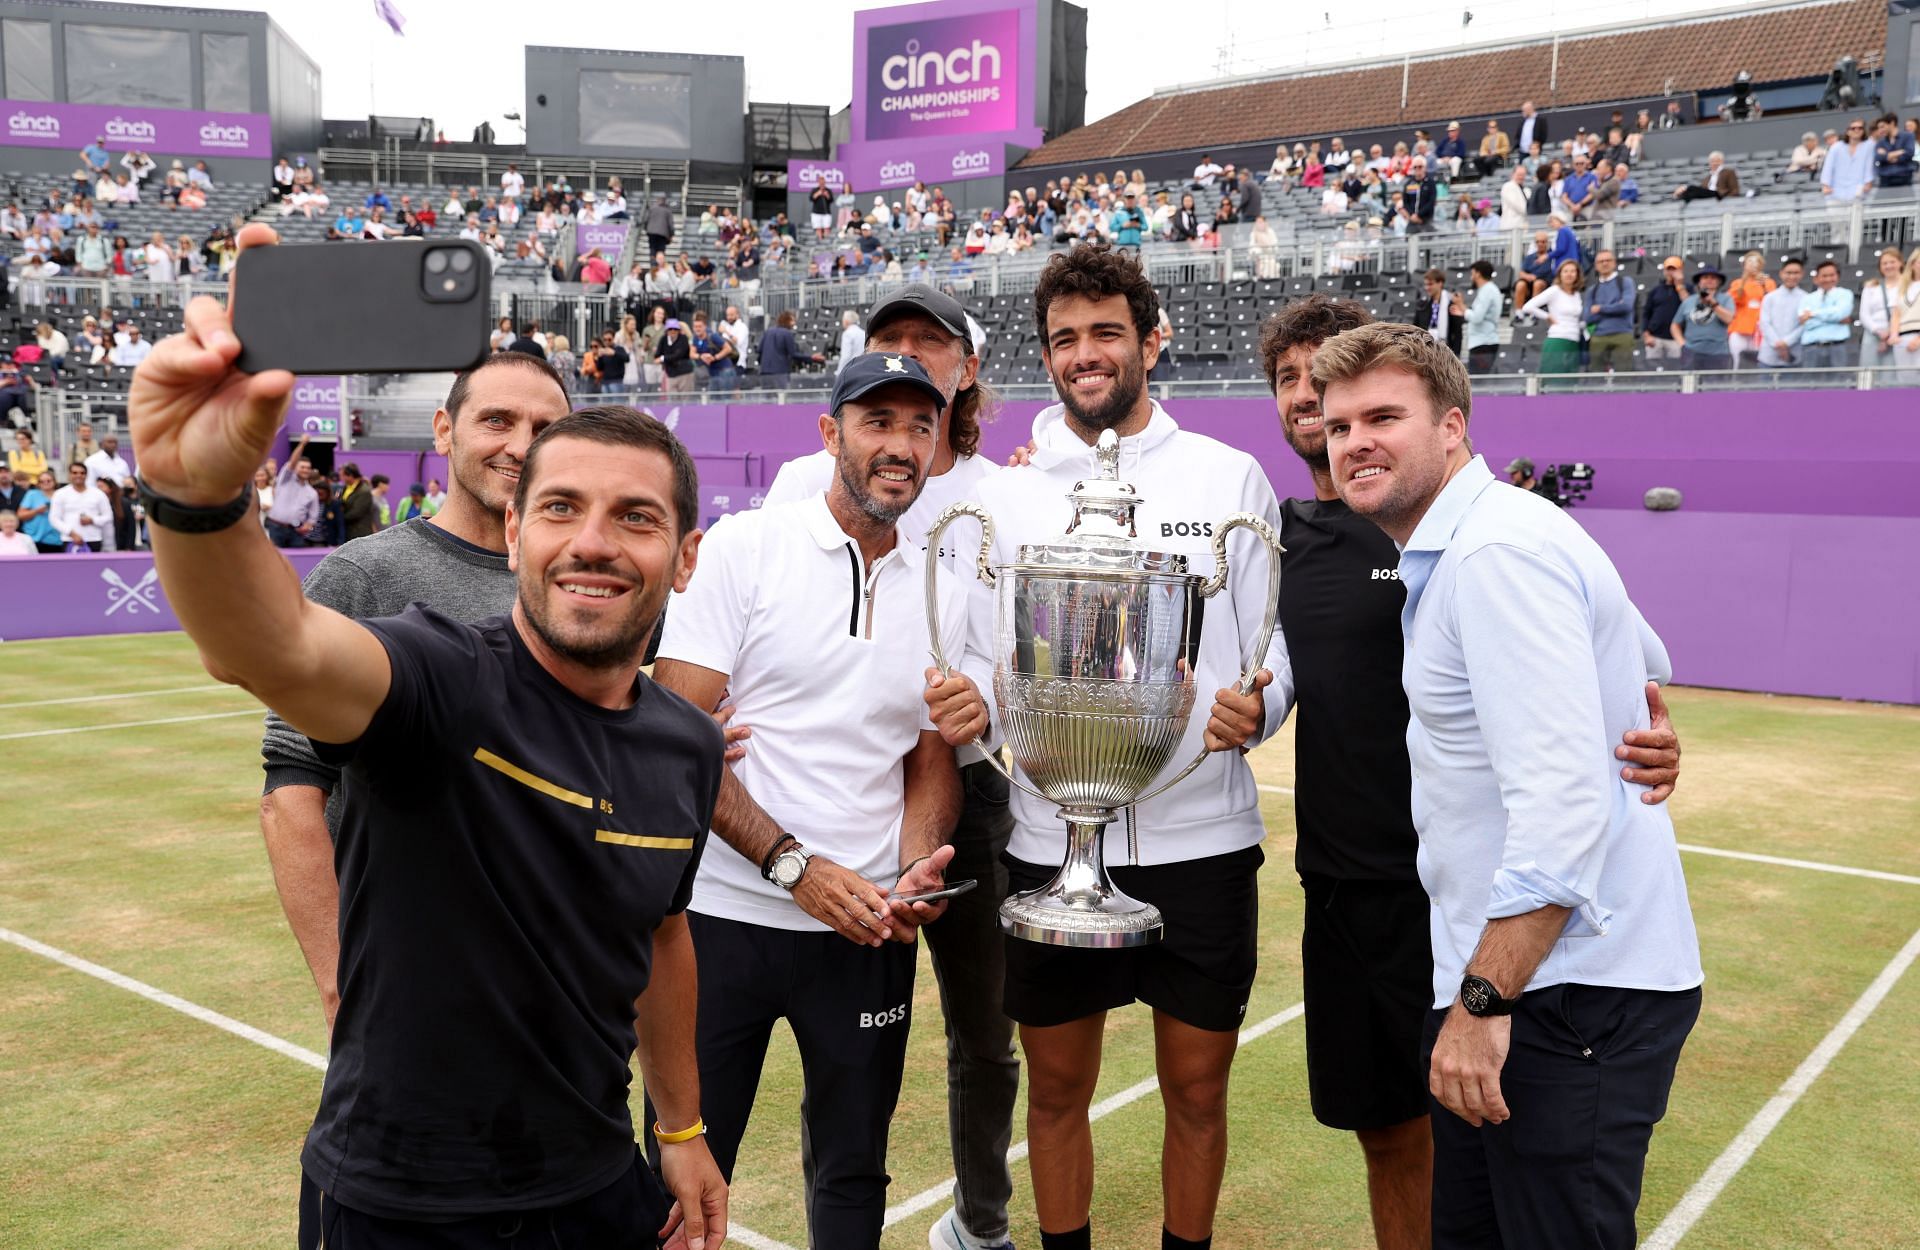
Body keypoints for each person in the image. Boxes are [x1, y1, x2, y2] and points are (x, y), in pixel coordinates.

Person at [126, 258, 728, 1246]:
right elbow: (266, 645)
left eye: (637, 517)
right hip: (401, 1203)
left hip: (597, 1187)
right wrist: (195, 496)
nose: (594, 542)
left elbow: (662, 938)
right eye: (563, 507)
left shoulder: (687, 745)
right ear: (519, 524)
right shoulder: (438, 673)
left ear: (686, 555)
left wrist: (684, 1124)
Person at [1248, 296, 1681, 1250]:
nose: (1353, 439)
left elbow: (1564, 809)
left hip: (1562, 993)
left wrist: (1483, 1006)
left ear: (1453, 426)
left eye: (1384, 418)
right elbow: (1635, 657)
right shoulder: (1452, 552)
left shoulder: (1493, 555)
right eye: (1343, 419)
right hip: (1523, 978)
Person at [949, 244, 1287, 1250]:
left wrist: (1255, 712)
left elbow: (1274, 651)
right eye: (1064, 339)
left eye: (1105, 333)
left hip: (1203, 841)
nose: (1085, 354)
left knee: (1196, 1086)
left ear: (1151, 339)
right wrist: (964, 695)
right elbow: (976, 652)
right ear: (1046, 356)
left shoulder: (1228, 475)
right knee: (1053, 1088)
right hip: (1052, 836)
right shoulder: (1009, 494)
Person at [650, 353, 964, 1249]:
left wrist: (916, 865)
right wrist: (793, 866)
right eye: (877, 422)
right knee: (676, 1177)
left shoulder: (945, 582)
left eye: (918, 425)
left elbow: (929, 757)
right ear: (831, 435)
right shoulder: (748, 547)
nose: (899, 445)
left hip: (866, 931)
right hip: (718, 922)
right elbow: (676, 743)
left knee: (854, 1172)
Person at [760, 283, 1015, 1250]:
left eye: (931, 340)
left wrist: (985, 709)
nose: (911, 351)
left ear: (967, 370)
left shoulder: (1006, 496)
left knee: (984, 1027)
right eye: (890, 339)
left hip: (976, 791)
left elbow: (1018, 657)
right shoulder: (801, 480)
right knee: (836, 1028)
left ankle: (982, 1220)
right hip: (844, 791)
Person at [256, 352, 574, 1052]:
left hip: (562, 983)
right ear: (444, 430)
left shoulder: (579, 581)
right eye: (497, 420)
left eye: (545, 426)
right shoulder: (364, 576)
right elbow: (291, 792)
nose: (521, 444)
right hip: (406, 980)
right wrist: (342, 986)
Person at [1517, 260, 1585, 375]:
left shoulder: (1577, 294)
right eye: (1566, 271)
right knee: (1554, 379)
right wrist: (1547, 316)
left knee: (1571, 380)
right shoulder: (1554, 291)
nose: (1569, 274)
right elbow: (1527, 307)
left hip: (1574, 340)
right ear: (1560, 274)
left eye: (1573, 271)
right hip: (1558, 339)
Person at [1796, 259, 1857, 372]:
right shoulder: (1806, 298)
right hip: (1811, 348)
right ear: (1816, 278)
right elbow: (1806, 323)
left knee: (1838, 383)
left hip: (1837, 347)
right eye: (1824, 275)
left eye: (1832, 275)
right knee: (1810, 384)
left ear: (1837, 277)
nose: (1828, 279)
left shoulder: (1845, 294)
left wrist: (1813, 314)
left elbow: (1840, 313)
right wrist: (1834, 319)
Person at [1672, 266, 1736, 371]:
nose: (1709, 280)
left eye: (1713, 278)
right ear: (1699, 282)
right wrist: (1682, 343)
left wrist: (1713, 303)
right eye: (1705, 277)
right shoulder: (1688, 301)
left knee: (1716, 386)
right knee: (1689, 385)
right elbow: (1675, 324)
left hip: (1718, 353)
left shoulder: (1726, 299)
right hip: (1691, 352)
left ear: (1719, 282)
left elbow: (1729, 319)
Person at [1586, 249, 1638, 373]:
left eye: (1608, 260)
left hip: (1622, 334)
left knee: (1624, 376)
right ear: (1596, 266)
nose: (1604, 264)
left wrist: (1600, 308)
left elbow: (1626, 306)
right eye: (1601, 261)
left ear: (1614, 263)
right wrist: (1615, 306)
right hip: (1598, 337)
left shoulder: (1626, 282)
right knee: (1596, 377)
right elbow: (1588, 317)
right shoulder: (1592, 290)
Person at [265, 435, 321, 548]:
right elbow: (292, 462)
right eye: (302, 467)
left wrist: (308, 526)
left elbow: (313, 516)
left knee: (296, 563)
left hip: (296, 532)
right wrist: (302, 444)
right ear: (295, 468)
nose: (305, 470)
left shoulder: (312, 493)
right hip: (276, 528)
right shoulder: (285, 479)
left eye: (308, 468)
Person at [1725, 252, 1777, 368]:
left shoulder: (1769, 283)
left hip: (1760, 328)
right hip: (1740, 327)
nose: (1753, 265)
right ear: (1744, 265)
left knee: (1758, 360)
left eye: (1756, 262)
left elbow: (1772, 302)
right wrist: (1744, 280)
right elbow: (1734, 301)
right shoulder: (1737, 283)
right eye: (1750, 261)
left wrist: (1763, 285)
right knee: (1737, 360)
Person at [1857, 247, 1905, 372]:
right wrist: (1879, 332)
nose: (1888, 266)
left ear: (1900, 263)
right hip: (1873, 335)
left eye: (1892, 262)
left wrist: (1891, 332)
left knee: (1893, 375)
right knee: (1869, 373)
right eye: (1885, 263)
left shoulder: (1909, 285)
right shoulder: (1871, 286)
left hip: (1898, 334)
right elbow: (1864, 314)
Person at [1757, 257, 1808, 370]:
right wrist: (1777, 344)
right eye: (1788, 273)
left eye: (1796, 273)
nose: (1792, 276)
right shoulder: (1769, 297)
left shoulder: (1806, 298)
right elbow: (1764, 323)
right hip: (1768, 356)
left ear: (1802, 274)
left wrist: (1786, 343)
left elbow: (1804, 325)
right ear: (1781, 273)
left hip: (1793, 355)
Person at [49, 461, 110, 552]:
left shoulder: (98, 494)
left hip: (93, 539)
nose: (79, 475)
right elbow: (54, 518)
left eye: (82, 473)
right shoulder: (60, 494)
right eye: (75, 473)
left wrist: (92, 520)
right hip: (69, 539)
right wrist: (71, 533)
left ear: (86, 475)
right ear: (69, 475)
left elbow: (108, 516)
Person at [1641, 257, 1688, 363]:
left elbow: (1689, 306)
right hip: (1655, 337)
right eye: (1668, 269)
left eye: (1674, 269)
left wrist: (1679, 285)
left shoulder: (1687, 288)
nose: (1671, 272)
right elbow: (1646, 313)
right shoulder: (1656, 290)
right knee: (1652, 369)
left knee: (1676, 368)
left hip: (1677, 338)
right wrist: (1646, 334)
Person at [1463, 260, 1502, 375]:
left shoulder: (1487, 290)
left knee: (1478, 383)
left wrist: (1463, 308)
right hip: (1483, 342)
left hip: (1483, 343)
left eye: (1472, 273)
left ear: (1478, 273)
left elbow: (1477, 317)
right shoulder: (1489, 290)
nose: (1471, 277)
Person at [1822, 119, 1875, 203]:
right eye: (1853, 128)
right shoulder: (1836, 147)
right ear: (1847, 131)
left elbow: (1869, 166)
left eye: (1860, 128)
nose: (1857, 130)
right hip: (1836, 193)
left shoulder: (1869, 145)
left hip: (1859, 192)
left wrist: (1868, 183)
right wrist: (1826, 185)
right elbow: (1828, 167)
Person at [1416, 268, 1464, 357]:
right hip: (1426, 350)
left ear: (1440, 283)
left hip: (1446, 350)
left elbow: (1458, 334)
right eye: (1426, 285)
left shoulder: (1451, 303)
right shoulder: (1422, 304)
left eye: (1430, 284)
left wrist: (1456, 356)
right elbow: (1416, 328)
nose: (1427, 288)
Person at [1873, 112, 1914, 190]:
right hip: (1885, 179)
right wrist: (1899, 152)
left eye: (1883, 126)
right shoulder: (1881, 141)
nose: (1881, 129)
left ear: (1892, 123)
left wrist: (1887, 156)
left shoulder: (1908, 136)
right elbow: (1878, 157)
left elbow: (1909, 153)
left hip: (1904, 176)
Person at [657, 320, 694, 395]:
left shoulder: (683, 339)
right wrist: (662, 358)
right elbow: (657, 354)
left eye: (675, 329)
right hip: (670, 374)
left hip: (684, 374)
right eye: (670, 329)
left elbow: (678, 355)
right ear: (667, 330)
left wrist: (663, 358)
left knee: (686, 401)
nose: (673, 331)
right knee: (672, 401)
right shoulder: (663, 339)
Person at [646, 194, 676, 261]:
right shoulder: (667, 210)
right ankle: (658, 266)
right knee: (660, 250)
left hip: (651, 232)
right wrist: (672, 234)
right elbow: (670, 224)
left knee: (652, 249)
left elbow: (646, 220)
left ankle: (653, 266)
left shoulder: (652, 208)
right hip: (662, 234)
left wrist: (647, 229)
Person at [837, 309, 866, 375]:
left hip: (851, 370)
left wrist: (839, 373)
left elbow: (846, 356)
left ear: (846, 321)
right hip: (863, 368)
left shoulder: (847, 333)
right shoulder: (863, 332)